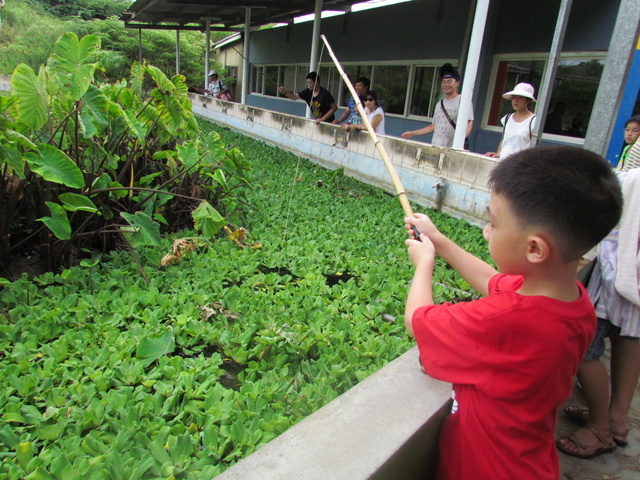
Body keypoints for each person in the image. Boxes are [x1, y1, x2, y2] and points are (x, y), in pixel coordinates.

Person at [403, 146, 623, 480]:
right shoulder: (573, 301)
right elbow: (492, 280)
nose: (485, 231)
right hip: (530, 462)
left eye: (492, 223)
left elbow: (417, 321)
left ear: (535, 248)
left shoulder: (504, 320)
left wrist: (424, 265)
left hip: (485, 469)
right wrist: (439, 240)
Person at [557, 168, 640, 459]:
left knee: (584, 350)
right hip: (635, 277)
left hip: (617, 274)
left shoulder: (631, 180)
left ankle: (599, 429)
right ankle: (616, 420)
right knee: (629, 337)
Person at [401, 63, 474, 148]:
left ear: (457, 83)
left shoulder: (463, 101)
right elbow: (433, 126)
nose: (446, 84)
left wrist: (459, 141)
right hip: (436, 147)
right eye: (444, 82)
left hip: (452, 148)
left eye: (449, 81)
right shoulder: (439, 104)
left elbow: (469, 123)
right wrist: (413, 133)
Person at [485, 83, 537, 159]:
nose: (516, 100)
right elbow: (504, 139)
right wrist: (498, 154)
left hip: (519, 163)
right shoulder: (507, 118)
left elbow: (534, 147)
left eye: (520, 97)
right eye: (514, 97)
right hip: (503, 162)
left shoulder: (533, 121)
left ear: (528, 100)